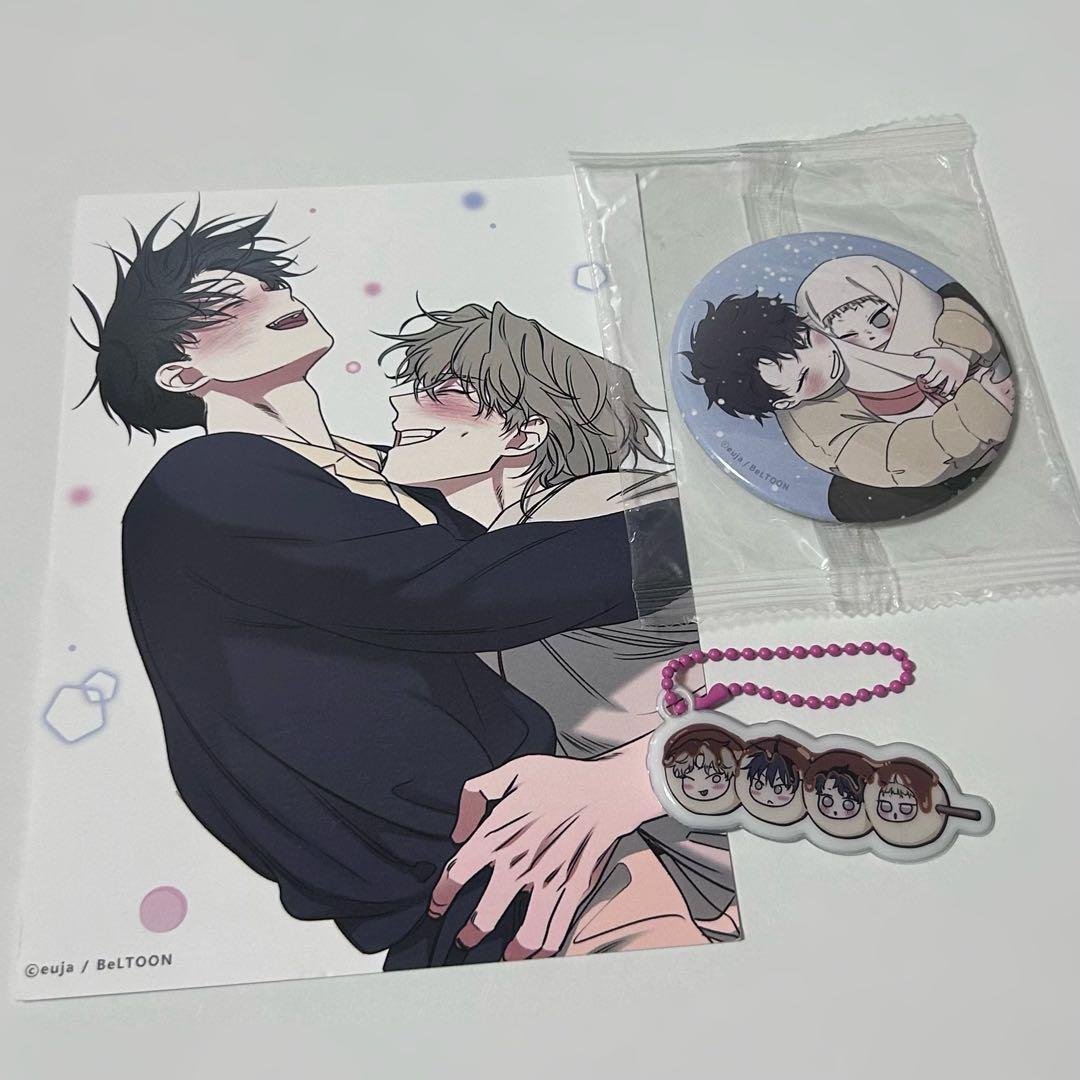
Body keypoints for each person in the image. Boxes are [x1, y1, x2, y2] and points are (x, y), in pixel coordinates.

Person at [74, 205, 686, 970]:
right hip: (464, 873)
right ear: (182, 374)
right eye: (226, 302)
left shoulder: (381, 469)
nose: (269, 296)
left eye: (267, 281)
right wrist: (694, 533)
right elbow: (452, 595)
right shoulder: (209, 481)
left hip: (541, 830)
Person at [378, 301, 740, 950]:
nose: (400, 409)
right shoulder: (481, 553)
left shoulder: (621, 507)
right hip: (681, 887)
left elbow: (788, 665)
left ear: (523, 435)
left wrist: (635, 777)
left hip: (767, 844)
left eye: (442, 394)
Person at [682, 285, 1014, 521]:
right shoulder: (820, 431)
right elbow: (904, 457)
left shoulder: (832, 325)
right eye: (805, 377)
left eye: (807, 341)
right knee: (851, 497)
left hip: (968, 394)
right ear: (787, 402)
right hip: (947, 464)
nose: (825, 358)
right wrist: (979, 404)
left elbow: (938, 310)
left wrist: (958, 350)